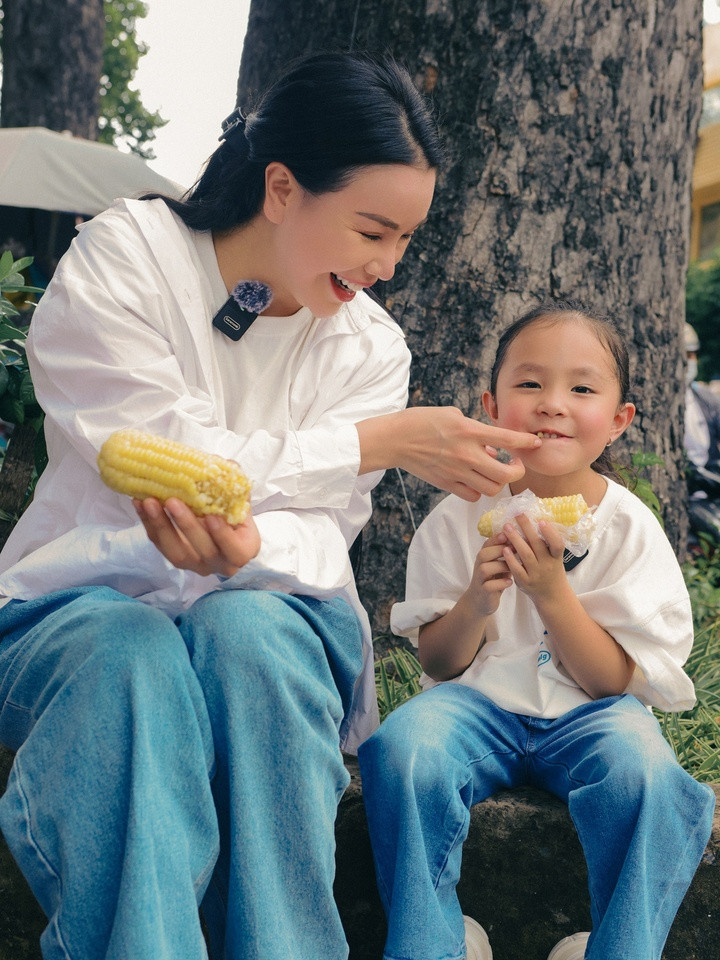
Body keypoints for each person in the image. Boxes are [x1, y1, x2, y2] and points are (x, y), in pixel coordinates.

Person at [0, 52, 543, 960]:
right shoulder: (129, 256)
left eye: (406, 240)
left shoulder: (371, 349)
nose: (387, 266)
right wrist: (370, 444)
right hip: (78, 604)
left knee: (249, 635)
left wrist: (249, 544)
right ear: (282, 188)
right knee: (128, 657)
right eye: (372, 231)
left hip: (275, 615)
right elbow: (157, 444)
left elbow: (316, 539)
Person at [358, 300, 715, 960]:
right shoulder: (459, 515)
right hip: (477, 705)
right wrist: (476, 599)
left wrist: (552, 593)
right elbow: (439, 662)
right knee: (403, 749)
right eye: (530, 383)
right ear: (493, 407)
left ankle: (615, 949)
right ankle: (435, 943)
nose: (552, 404)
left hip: (594, 714)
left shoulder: (630, 530)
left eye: (581, 389)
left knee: (651, 780)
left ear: (618, 421)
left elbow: (610, 681)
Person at [684, 321, 720, 540]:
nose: (690, 361)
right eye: (685, 355)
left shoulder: (705, 400)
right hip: (690, 499)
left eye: (692, 355)